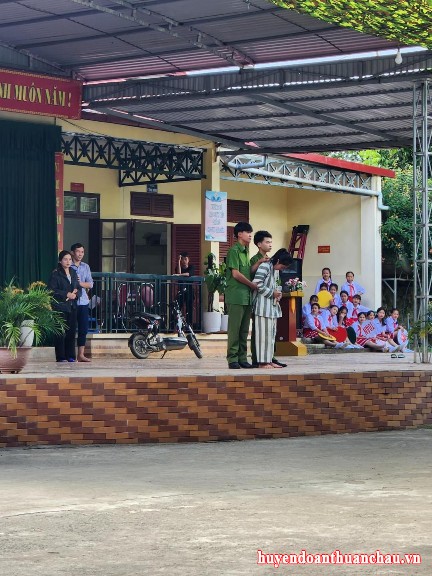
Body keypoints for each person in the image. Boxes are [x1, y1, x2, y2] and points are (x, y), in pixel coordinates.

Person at [253, 248, 293, 368]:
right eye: (282, 266)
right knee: (263, 336)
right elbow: (257, 283)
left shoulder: (275, 270)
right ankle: (262, 362)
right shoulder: (265, 266)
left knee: (271, 335)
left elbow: (275, 286)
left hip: (272, 307)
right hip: (262, 306)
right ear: (278, 261)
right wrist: (272, 293)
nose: (282, 269)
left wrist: (278, 294)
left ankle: (269, 359)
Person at [225, 222, 257, 369]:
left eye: (251, 232)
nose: (250, 235)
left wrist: (259, 262)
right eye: (247, 232)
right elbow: (236, 274)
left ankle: (242, 358)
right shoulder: (234, 251)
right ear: (239, 234)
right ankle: (232, 359)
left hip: (246, 296)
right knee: (235, 329)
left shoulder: (246, 251)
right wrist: (251, 285)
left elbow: (247, 271)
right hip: (236, 296)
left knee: (244, 330)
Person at [48, 250, 81, 362]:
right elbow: (52, 290)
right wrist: (66, 294)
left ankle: (71, 356)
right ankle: (61, 356)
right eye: (65, 259)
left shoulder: (73, 272)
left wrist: (76, 295)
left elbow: (78, 288)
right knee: (60, 333)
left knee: (71, 332)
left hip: (72, 306)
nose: (68, 261)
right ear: (60, 261)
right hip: (60, 307)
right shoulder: (56, 274)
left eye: (70, 259)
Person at [70, 243, 93, 362]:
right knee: (71, 329)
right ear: (72, 252)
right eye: (78, 251)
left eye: (82, 252)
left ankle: (81, 355)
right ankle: (70, 355)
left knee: (83, 329)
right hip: (71, 301)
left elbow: (90, 284)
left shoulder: (85, 266)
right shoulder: (68, 265)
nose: (80, 254)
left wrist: (80, 283)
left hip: (83, 301)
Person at [174, 251, 195, 325]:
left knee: (189, 309)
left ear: (188, 260)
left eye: (185, 259)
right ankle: (177, 325)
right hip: (181, 291)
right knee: (178, 308)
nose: (184, 261)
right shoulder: (178, 267)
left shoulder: (191, 267)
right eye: (182, 259)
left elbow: (189, 274)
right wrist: (178, 261)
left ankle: (189, 325)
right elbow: (179, 272)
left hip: (189, 291)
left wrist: (179, 275)